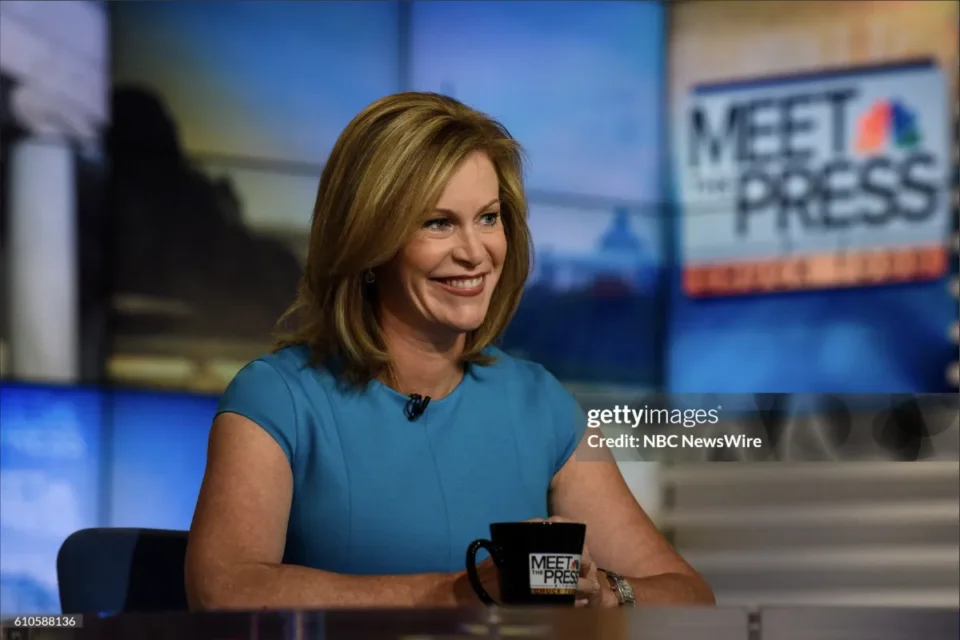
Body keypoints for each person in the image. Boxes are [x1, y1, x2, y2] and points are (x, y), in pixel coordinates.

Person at [184, 92, 714, 610]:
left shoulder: (540, 405)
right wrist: (459, 592)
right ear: (370, 240)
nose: (474, 252)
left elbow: (689, 595)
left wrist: (607, 593)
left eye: (488, 218)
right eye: (438, 223)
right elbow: (225, 589)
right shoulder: (277, 398)